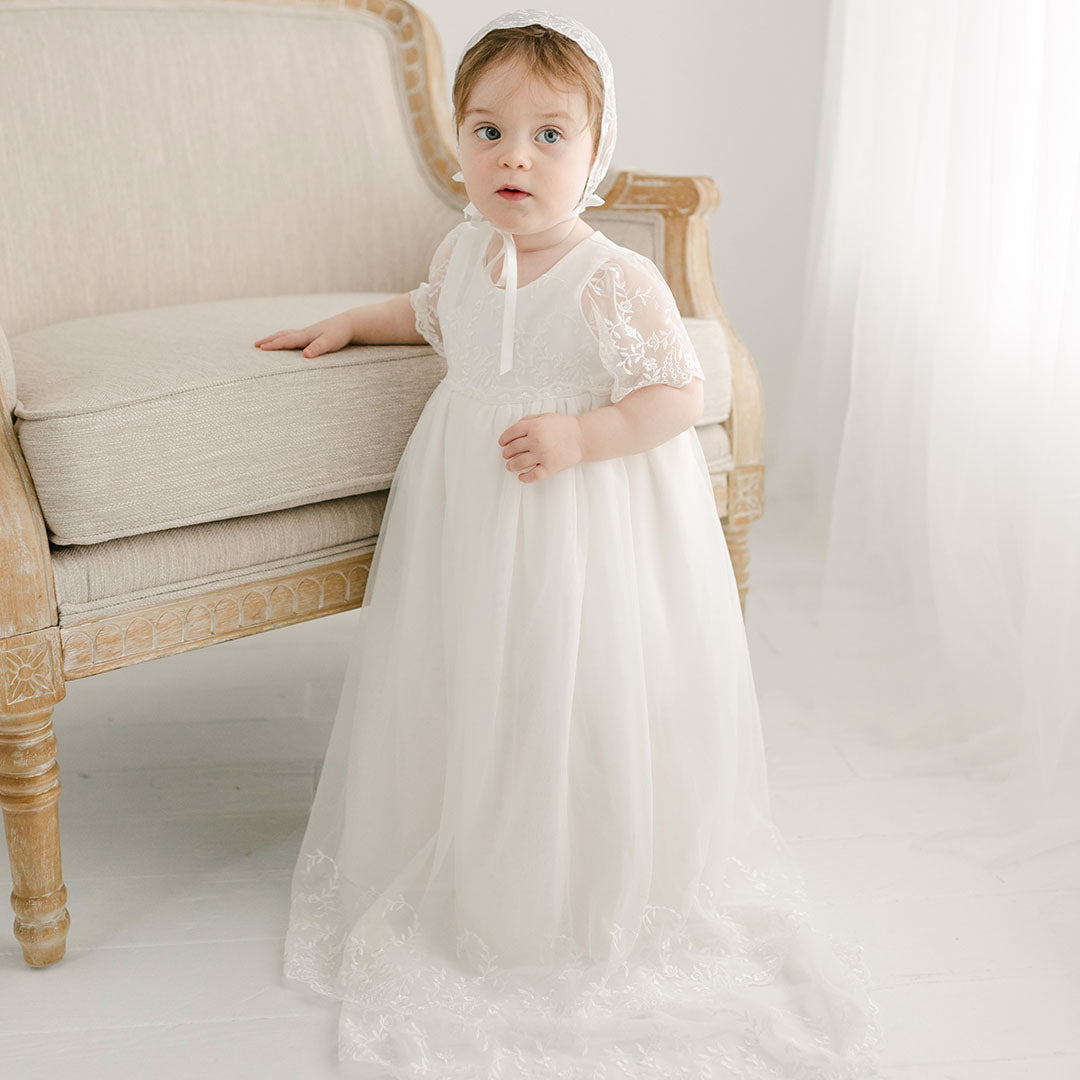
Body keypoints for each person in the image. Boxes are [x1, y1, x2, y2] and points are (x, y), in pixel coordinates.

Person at [258, 9, 885, 1077]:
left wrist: (584, 432)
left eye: (552, 135)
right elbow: (426, 313)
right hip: (471, 516)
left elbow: (681, 397)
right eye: (489, 130)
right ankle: (474, 827)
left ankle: (576, 857)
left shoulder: (611, 277)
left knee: (566, 677)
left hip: (575, 526)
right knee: (475, 671)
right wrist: (347, 325)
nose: (516, 156)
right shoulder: (466, 252)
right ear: (457, 144)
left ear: (596, 158)